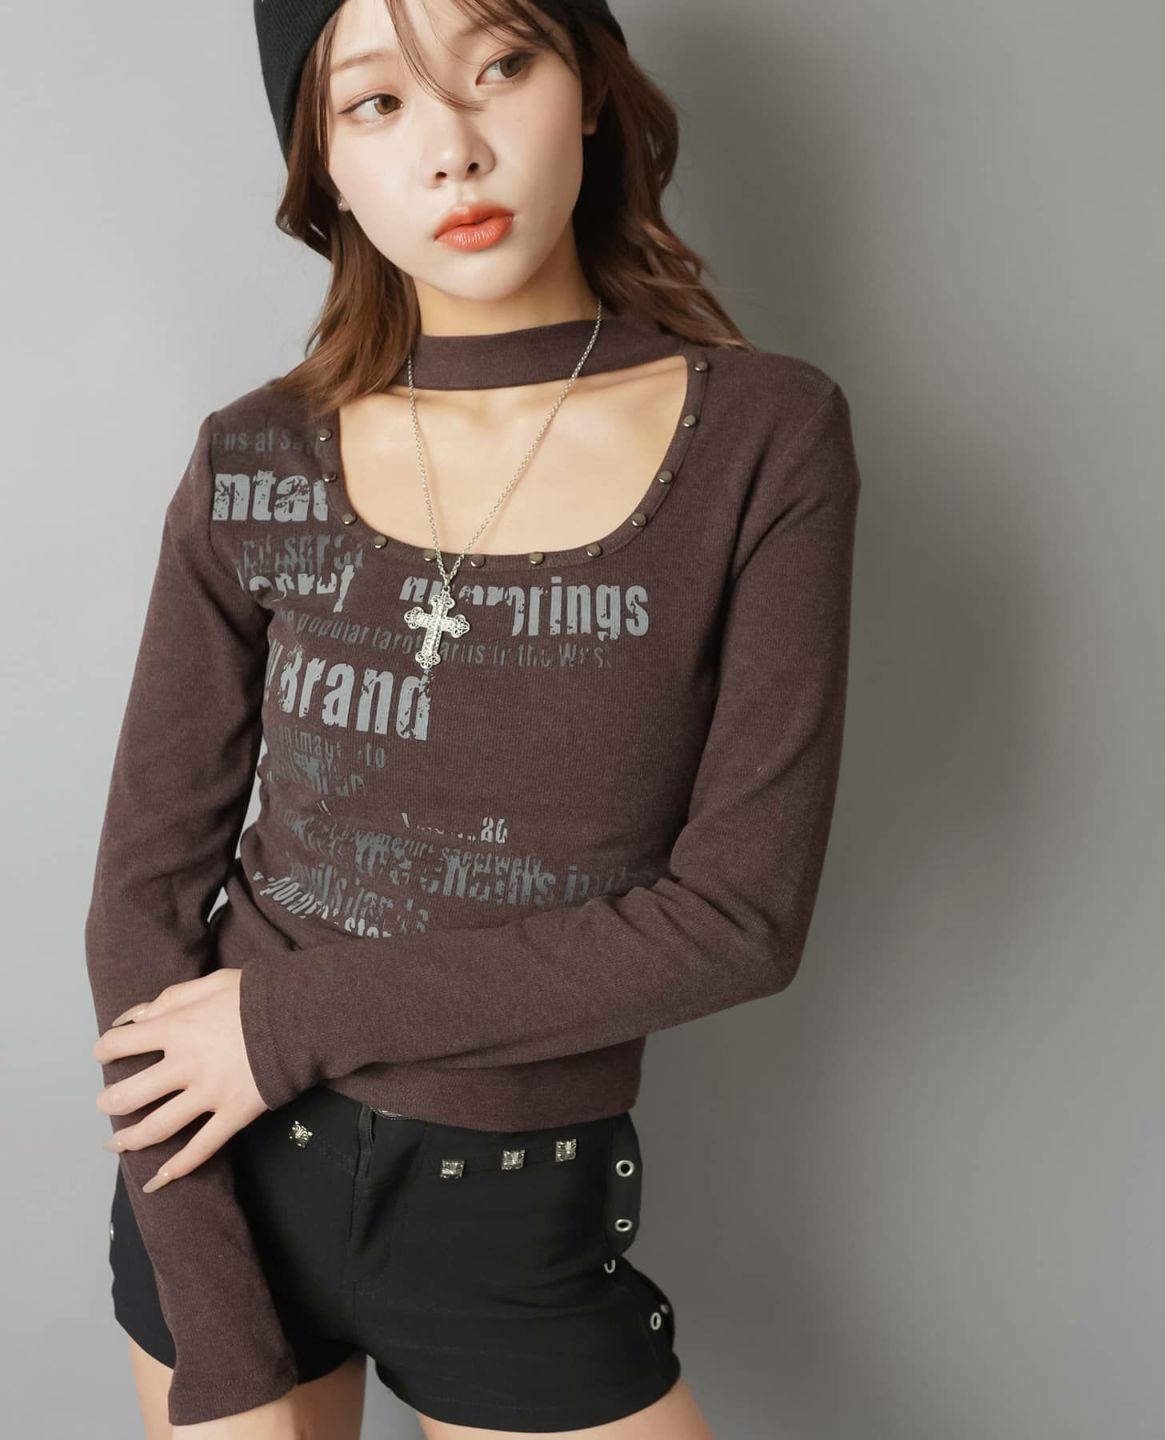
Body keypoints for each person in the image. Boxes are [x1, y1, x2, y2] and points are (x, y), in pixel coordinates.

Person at [85, 0, 863, 1435]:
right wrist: (220, 1333)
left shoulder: (767, 439)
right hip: (223, 1188)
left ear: (590, 89)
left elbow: (741, 919)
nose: (453, 149)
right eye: (378, 103)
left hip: (508, 1212)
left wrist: (290, 1017)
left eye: (502, 66)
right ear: (325, 165)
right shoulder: (257, 454)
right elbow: (139, 901)